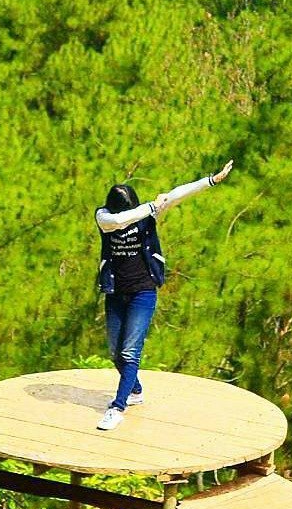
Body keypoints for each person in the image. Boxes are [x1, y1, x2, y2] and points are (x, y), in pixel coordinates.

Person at [94, 159, 234, 430]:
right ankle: (135, 391)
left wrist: (211, 181)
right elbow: (120, 220)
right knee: (115, 353)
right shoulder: (105, 217)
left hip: (143, 292)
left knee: (130, 352)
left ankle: (117, 407)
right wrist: (150, 207)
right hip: (116, 292)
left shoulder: (145, 214)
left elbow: (178, 193)